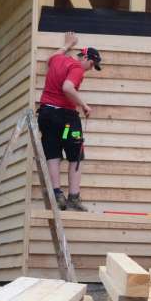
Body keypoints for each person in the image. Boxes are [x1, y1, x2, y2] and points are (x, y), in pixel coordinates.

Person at [37, 31, 101, 210]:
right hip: (65, 119)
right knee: (76, 154)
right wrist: (84, 106)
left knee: (53, 153)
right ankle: (73, 197)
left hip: (47, 116)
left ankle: (57, 195)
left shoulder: (58, 59)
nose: (90, 68)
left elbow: (50, 59)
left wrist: (67, 44)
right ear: (86, 58)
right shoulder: (77, 68)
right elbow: (67, 87)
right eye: (92, 64)